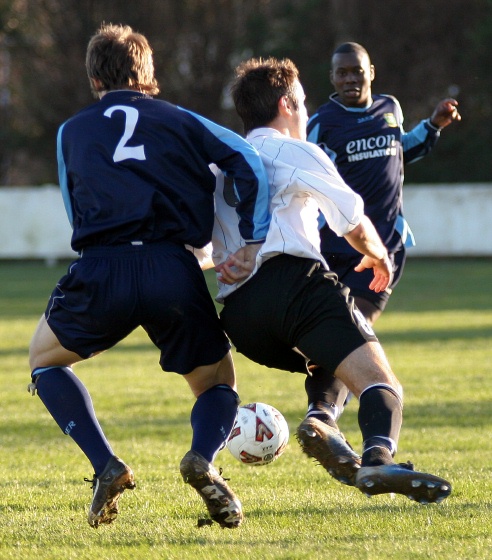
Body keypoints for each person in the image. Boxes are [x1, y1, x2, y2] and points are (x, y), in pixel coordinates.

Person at [27, 23, 270, 530]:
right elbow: (247, 160)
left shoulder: (71, 130)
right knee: (215, 383)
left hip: (101, 268)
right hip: (171, 268)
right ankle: (202, 456)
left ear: (95, 76)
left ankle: (105, 465)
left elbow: (75, 206)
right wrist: (250, 238)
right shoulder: (180, 119)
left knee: (45, 362)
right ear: (148, 73)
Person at [211, 56, 451, 505]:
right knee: (382, 384)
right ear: (286, 103)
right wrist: (378, 254)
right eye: (301, 103)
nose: (304, 113)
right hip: (295, 286)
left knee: (328, 359)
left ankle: (322, 418)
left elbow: (204, 246)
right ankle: (378, 459)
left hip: (242, 319)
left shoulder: (223, 164)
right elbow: (351, 217)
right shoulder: (291, 148)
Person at [303, 42, 462, 464]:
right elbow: (307, 178)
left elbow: (399, 154)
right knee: (342, 332)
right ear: (332, 78)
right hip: (336, 248)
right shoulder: (322, 123)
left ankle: (323, 414)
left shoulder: (389, 108)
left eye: (357, 71)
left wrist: (433, 126)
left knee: (344, 329)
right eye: (342, 74)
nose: (350, 80)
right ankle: (326, 417)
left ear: (371, 70)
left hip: (384, 249)